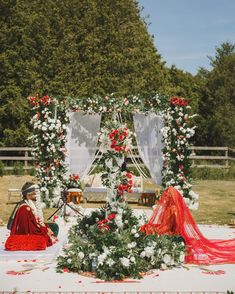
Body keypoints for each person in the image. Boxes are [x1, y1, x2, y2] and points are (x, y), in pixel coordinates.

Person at [141, 186, 235, 265]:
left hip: (171, 233)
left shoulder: (173, 210)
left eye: (166, 196)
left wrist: (159, 230)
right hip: (168, 230)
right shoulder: (169, 208)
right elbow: (166, 224)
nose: (164, 198)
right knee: (147, 228)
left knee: (148, 231)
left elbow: (174, 228)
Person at [5, 182, 57, 251]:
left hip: (36, 227)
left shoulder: (30, 204)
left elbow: (35, 221)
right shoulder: (25, 209)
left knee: (54, 226)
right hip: (32, 233)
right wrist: (43, 230)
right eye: (34, 193)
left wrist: (43, 226)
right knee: (54, 228)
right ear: (28, 195)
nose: (36, 195)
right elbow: (25, 230)